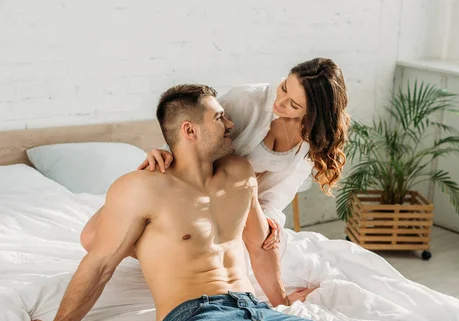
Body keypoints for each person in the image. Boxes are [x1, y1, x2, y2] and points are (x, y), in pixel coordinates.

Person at [31, 84, 369, 321]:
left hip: (260, 313)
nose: (232, 124)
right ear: (189, 130)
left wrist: (281, 302)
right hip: (196, 319)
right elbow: (100, 263)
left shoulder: (239, 173)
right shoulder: (141, 188)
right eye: (220, 117)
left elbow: (258, 244)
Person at [138, 57, 350, 251]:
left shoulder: (313, 140)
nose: (281, 101)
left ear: (314, 113)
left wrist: (267, 219)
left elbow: (281, 192)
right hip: (201, 200)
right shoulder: (246, 100)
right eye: (284, 87)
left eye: (294, 105)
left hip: (245, 214)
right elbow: (197, 130)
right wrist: (165, 152)